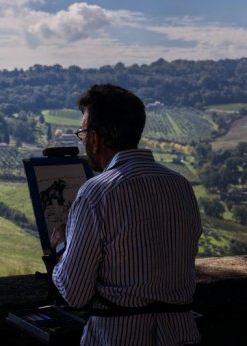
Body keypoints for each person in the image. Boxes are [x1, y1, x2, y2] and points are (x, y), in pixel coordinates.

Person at [50, 84, 202, 345]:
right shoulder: (181, 185)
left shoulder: (95, 194)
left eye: (83, 133)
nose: (83, 140)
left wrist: (63, 245)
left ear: (95, 139)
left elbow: (75, 294)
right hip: (181, 336)